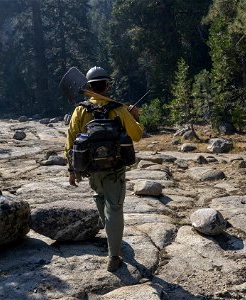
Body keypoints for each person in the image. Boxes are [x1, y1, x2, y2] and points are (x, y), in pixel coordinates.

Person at [64, 66, 143, 272]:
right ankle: (114, 256)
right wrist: (134, 116)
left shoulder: (80, 110)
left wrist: (72, 169)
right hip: (115, 168)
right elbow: (136, 135)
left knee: (100, 198)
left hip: (92, 170)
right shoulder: (118, 108)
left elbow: (70, 141)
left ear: (89, 86)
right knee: (114, 208)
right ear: (107, 85)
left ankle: (111, 237)